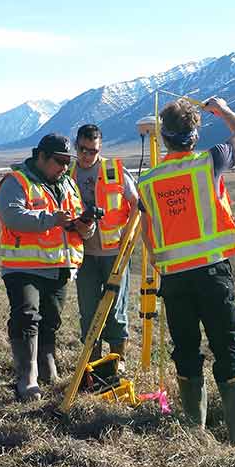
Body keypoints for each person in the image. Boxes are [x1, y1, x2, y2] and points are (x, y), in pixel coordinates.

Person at [136, 97, 235, 445]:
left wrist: (161, 263)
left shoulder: (147, 182)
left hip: (174, 278)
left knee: (186, 350)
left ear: (164, 139)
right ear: (194, 136)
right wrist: (220, 109)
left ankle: (195, 433)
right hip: (212, 274)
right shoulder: (210, 162)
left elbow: (147, 234)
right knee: (227, 347)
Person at [0, 133, 95, 401]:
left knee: (51, 321)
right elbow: (12, 216)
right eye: (59, 161)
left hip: (60, 265)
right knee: (27, 317)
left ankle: (48, 370)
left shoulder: (68, 184)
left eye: (66, 161)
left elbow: (75, 225)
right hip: (23, 267)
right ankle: (27, 379)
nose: (64, 167)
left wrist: (85, 226)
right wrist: (52, 219)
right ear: (41, 157)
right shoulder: (16, 182)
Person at [69, 124, 139, 366]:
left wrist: (127, 238)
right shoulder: (67, 173)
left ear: (100, 148)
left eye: (93, 151)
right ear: (75, 145)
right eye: (83, 149)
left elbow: (136, 205)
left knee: (116, 312)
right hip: (82, 253)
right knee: (88, 312)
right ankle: (91, 367)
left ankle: (116, 364)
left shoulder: (115, 170)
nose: (87, 155)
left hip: (114, 253)